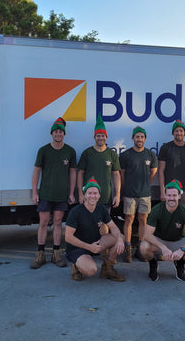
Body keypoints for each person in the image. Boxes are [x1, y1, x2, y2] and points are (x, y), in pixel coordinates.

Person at [31, 117, 77, 269]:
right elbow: (36, 171)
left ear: (64, 134)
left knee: (58, 223)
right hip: (45, 194)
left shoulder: (70, 151)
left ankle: (57, 254)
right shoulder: (43, 150)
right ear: (52, 134)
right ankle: (40, 255)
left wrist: (71, 193)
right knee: (43, 222)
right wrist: (34, 192)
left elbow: (72, 173)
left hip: (61, 195)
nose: (58, 134)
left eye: (61, 132)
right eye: (56, 132)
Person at [139, 180, 185, 282]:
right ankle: (153, 263)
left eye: (174, 195)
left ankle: (180, 264)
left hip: (177, 241)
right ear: (165, 196)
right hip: (160, 241)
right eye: (169, 195)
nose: (171, 198)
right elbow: (147, 234)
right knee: (143, 247)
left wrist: (182, 250)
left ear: (179, 196)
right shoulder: (157, 210)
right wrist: (163, 247)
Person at [65, 177, 126, 281]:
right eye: (89, 193)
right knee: (91, 270)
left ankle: (107, 268)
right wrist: (89, 247)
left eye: (95, 193)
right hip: (77, 248)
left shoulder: (101, 208)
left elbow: (113, 227)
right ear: (84, 195)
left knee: (121, 237)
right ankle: (76, 265)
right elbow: (68, 237)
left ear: (99, 195)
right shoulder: (75, 212)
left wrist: (120, 239)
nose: (92, 196)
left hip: (95, 244)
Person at [119, 126, 157, 262]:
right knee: (128, 219)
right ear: (133, 138)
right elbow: (122, 175)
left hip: (145, 194)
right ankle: (128, 249)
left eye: (142, 137)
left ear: (145, 139)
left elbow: (153, 173)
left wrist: (145, 184)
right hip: (129, 193)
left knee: (143, 220)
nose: (139, 139)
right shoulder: (125, 155)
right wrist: (125, 188)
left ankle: (141, 248)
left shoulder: (150, 155)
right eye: (137, 137)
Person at [77, 114, 121, 209]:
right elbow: (80, 173)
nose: (100, 138)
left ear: (106, 137)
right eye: (98, 136)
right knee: (87, 223)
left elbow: (116, 175)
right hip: (88, 197)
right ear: (94, 137)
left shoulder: (112, 154)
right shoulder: (87, 153)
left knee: (104, 223)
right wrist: (80, 194)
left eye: (102, 135)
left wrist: (117, 195)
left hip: (106, 197)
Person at [158, 120, 185, 208]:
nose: (179, 133)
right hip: (170, 190)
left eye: (181, 131)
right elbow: (161, 170)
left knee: (184, 218)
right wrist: (162, 191)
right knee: (169, 217)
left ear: (184, 133)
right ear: (173, 133)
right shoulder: (165, 148)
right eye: (176, 131)